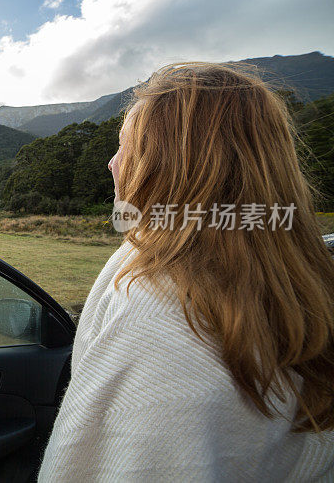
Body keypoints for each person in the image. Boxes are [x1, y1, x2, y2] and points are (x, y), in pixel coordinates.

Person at [38, 62, 334, 481]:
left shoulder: (158, 309)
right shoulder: (307, 284)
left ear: (166, 165)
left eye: (125, 146)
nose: (111, 164)